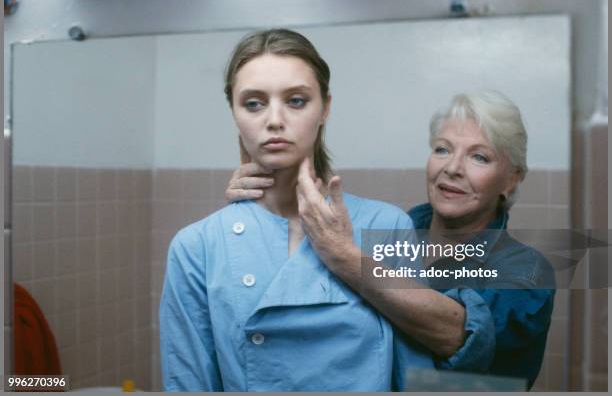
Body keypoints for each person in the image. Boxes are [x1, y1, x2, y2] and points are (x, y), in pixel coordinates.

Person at [159, 28, 433, 392]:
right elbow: (189, 384)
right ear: (233, 113)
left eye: (296, 100)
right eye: (254, 103)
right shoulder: (197, 247)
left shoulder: (386, 226)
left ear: (326, 108)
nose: (274, 120)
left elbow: (415, 376)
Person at [226, 90, 556, 389]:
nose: (452, 168)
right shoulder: (394, 230)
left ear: (510, 180)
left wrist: (345, 257)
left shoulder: (526, 272)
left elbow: (457, 335)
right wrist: (270, 204)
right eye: (442, 149)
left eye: (479, 157)